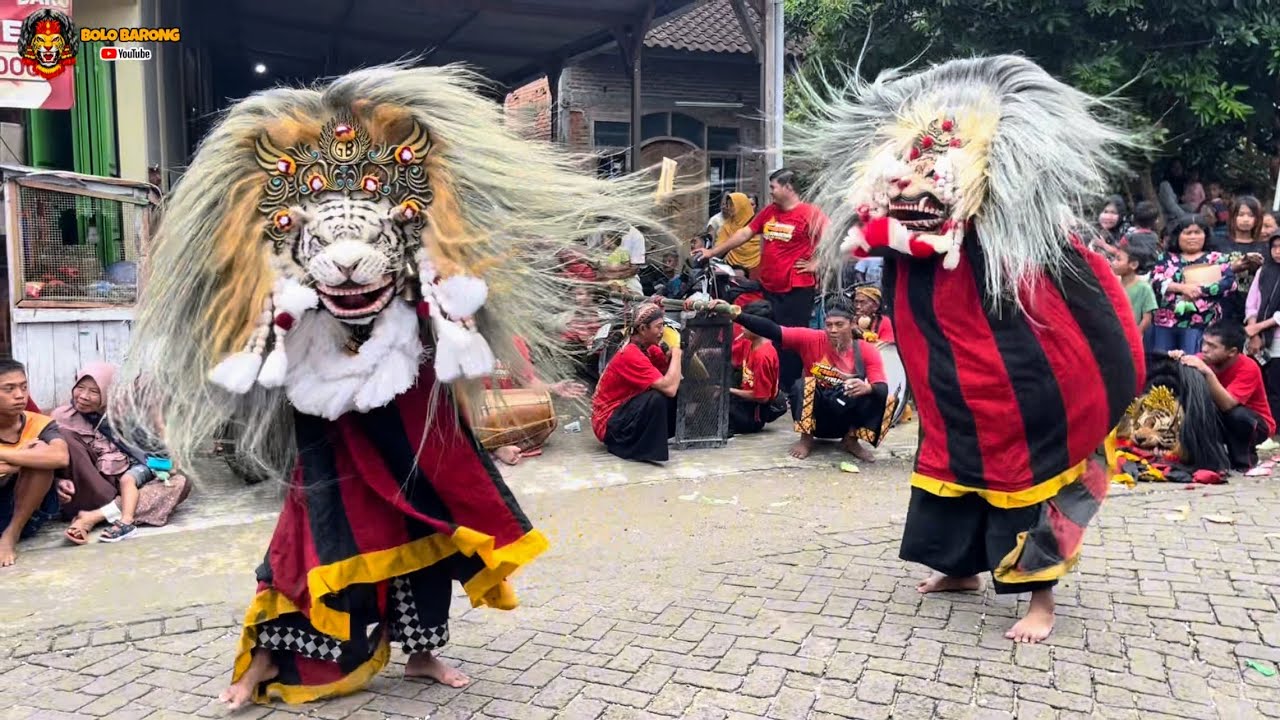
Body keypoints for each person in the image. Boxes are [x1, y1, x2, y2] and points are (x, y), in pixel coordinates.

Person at [107, 65, 661, 710]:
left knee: (429, 530)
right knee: (308, 537)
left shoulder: (425, 288)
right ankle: (266, 658)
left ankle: (423, 652)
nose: (344, 262)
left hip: (414, 421)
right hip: (328, 430)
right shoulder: (286, 293)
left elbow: (461, 309)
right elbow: (251, 323)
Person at [800, 55, 1144, 644]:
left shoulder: (1017, 237)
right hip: (949, 383)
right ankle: (959, 568)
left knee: (1026, 472)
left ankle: (1041, 600)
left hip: (1018, 385)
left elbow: (1085, 302)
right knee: (950, 464)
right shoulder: (904, 234)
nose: (918, 176)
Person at [693, 168, 829, 389]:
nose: (771, 192)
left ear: (788, 187)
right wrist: (713, 252)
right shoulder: (770, 211)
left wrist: (817, 263)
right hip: (769, 287)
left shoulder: (810, 213)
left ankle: (788, 388)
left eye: (774, 187)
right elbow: (745, 233)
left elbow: (835, 239)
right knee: (766, 334)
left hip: (796, 290)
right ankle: (767, 384)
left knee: (791, 340)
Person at [722, 300, 887, 461]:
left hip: (845, 414)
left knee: (885, 397)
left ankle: (851, 441)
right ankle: (806, 439)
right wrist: (735, 314)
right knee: (803, 385)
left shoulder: (866, 349)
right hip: (817, 416)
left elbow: (881, 386)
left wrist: (868, 388)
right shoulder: (811, 338)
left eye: (839, 325)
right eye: (829, 325)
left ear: (852, 324)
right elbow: (773, 330)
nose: (833, 330)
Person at [1171, 323, 1275, 470]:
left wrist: (1207, 373)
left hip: (1254, 424)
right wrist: (1177, 361)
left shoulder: (1248, 367)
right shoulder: (1203, 360)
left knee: (1237, 415)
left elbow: (1228, 404)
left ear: (1232, 352)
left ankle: (1244, 460)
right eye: (1204, 343)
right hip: (1223, 417)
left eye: (1212, 346)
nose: (1204, 349)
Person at [0, 359, 70, 567]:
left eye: (23, 387)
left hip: (25, 515)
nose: (20, 395)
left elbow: (60, 457)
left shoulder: (38, 422)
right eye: (9, 389)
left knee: (41, 453)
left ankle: (10, 537)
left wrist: (12, 462)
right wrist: (21, 457)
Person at [591, 303, 682, 462]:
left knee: (669, 391)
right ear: (642, 329)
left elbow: (669, 373)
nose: (662, 332)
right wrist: (677, 354)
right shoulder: (630, 354)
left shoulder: (649, 349)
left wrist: (670, 356)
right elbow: (670, 388)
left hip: (623, 412)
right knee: (657, 397)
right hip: (608, 424)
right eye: (658, 327)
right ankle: (639, 449)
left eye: (663, 326)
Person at [475, 337, 586, 466]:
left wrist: (553, 388)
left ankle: (500, 448)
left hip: (505, 410)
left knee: (549, 421)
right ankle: (495, 450)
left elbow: (528, 380)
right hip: (476, 412)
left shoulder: (513, 341)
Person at [1149, 216, 1234, 354]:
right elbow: (1155, 280)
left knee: (1192, 364)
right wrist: (1182, 288)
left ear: (1206, 235)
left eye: (1198, 232)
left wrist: (1198, 290)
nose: (1193, 237)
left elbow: (1229, 283)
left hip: (1201, 323)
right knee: (1163, 364)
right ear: (1178, 236)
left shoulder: (1217, 258)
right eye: (1188, 233)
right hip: (1165, 323)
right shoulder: (1165, 258)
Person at [726, 300, 784, 434]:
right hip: (743, 398)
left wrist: (728, 390)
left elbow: (762, 397)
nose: (742, 328)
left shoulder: (763, 355)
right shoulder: (748, 342)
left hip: (753, 414)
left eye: (747, 325)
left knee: (713, 411)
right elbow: (731, 356)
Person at [1111, 239, 1157, 347]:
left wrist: (1137, 333)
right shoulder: (1114, 283)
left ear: (1133, 265)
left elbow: (1147, 317)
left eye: (1118, 259)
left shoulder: (1144, 288)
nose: (1113, 263)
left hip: (1132, 337)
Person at [709, 192, 761, 275]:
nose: (729, 208)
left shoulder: (757, 226)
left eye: (732, 205)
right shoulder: (726, 226)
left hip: (756, 271)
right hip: (730, 270)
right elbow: (718, 248)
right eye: (728, 204)